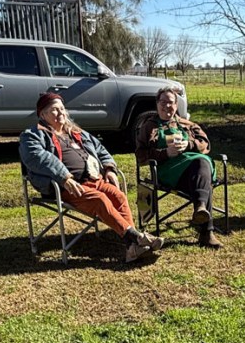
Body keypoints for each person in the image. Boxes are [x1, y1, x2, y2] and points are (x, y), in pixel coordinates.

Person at [20, 92, 163, 263]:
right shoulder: (33, 135)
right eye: (54, 110)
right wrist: (64, 176)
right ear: (43, 115)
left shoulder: (76, 132)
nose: (61, 113)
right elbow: (37, 157)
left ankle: (132, 247)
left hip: (95, 180)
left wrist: (109, 168)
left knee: (119, 196)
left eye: (62, 109)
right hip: (67, 187)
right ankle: (137, 238)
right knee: (100, 200)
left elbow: (100, 149)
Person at [135, 86, 223, 248]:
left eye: (170, 102)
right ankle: (206, 231)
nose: (166, 106)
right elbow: (140, 155)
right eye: (163, 102)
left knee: (201, 164)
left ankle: (201, 210)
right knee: (204, 176)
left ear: (176, 105)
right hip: (166, 171)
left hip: (191, 171)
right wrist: (165, 153)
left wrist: (189, 145)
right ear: (157, 104)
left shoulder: (187, 124)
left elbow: (205, 143)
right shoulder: (149, 126)